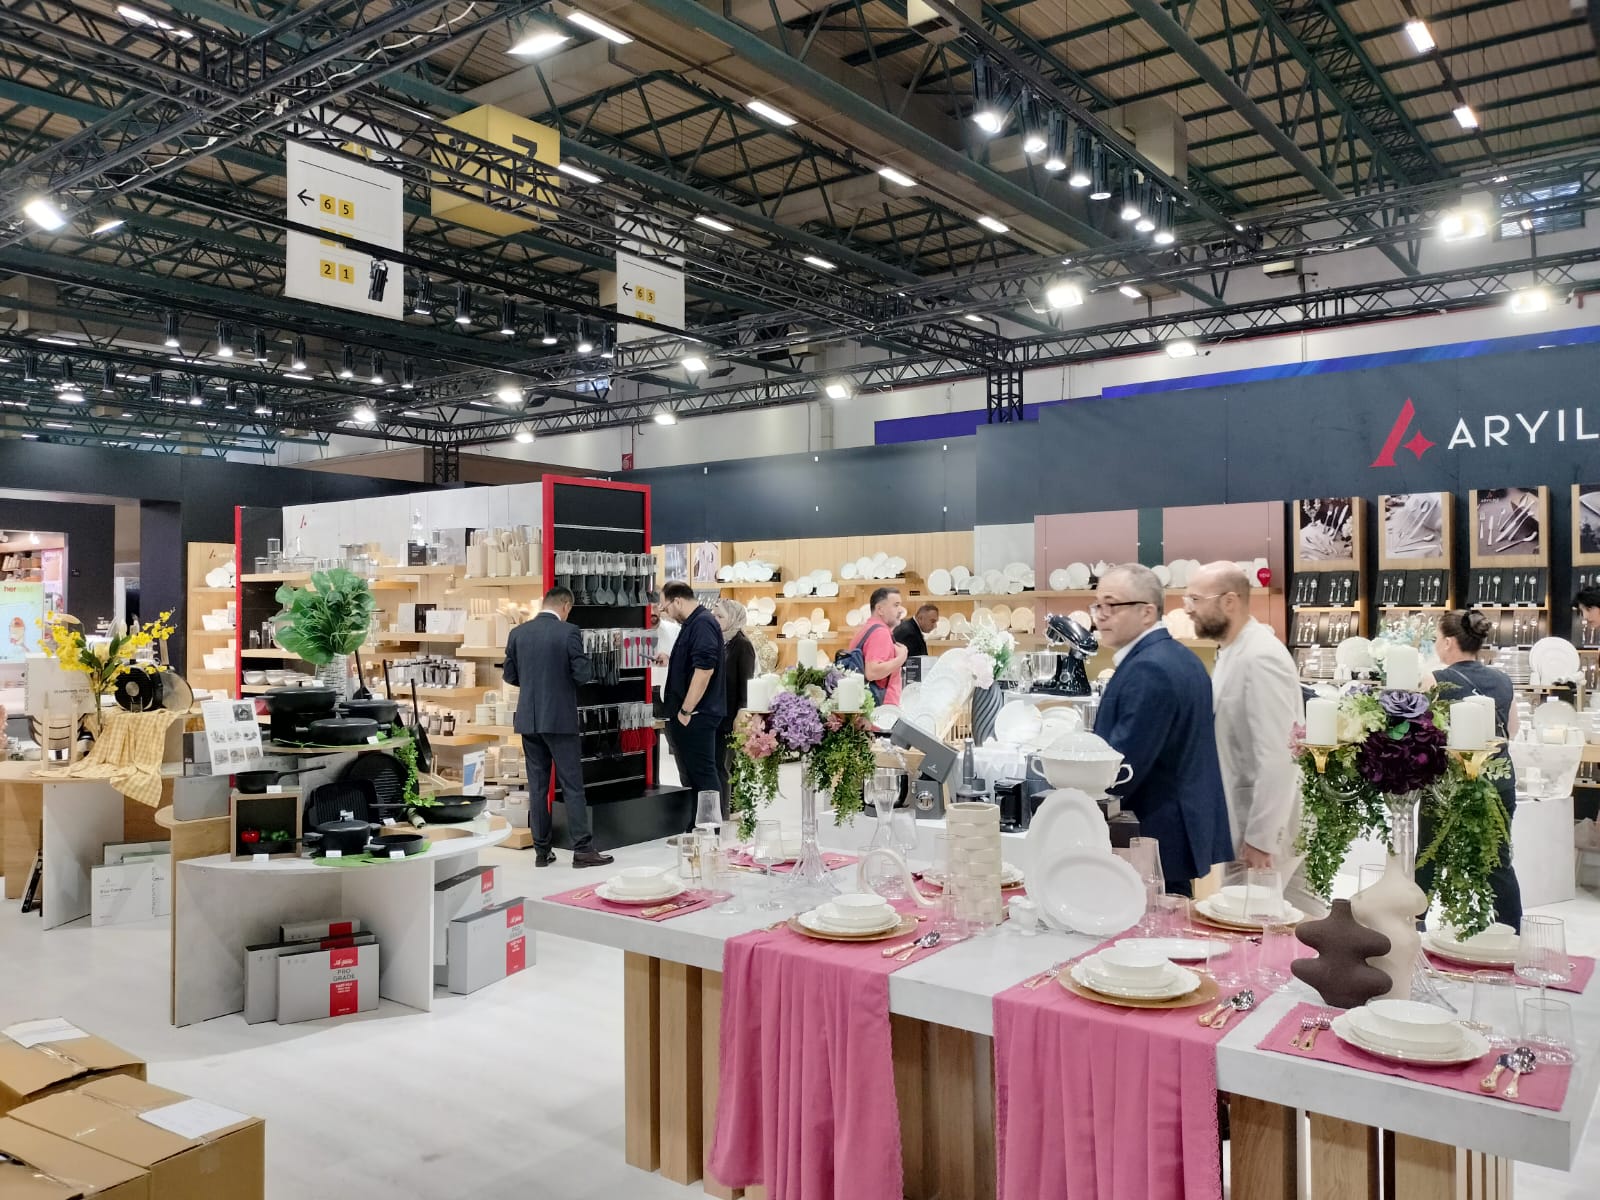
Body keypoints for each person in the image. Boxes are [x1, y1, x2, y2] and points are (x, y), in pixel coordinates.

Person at [1185, 562, 1323, 917]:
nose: (1188, 608)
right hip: (1250, 819)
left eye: (1196, 599)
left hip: (1263, 826)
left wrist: (1262, 837)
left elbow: (1279, 753)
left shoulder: (1260, 657)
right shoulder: (1234, 650)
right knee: (1299, 921)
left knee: (1248, 923)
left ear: (1229, 601)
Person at [1091, 563, 1232, 894]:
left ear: (1147, 612)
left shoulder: (1149, 668)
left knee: (1153, 922)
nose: (1101, 615)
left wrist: (1080, 802)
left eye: (1112, 605)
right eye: (1097, 605)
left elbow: (1124, 763)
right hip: (1174, 828)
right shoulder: (1179, 657)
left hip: (1152, 833)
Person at [1422, 609, 1523, 928]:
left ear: (1449, 642)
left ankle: (1414, 927)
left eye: (1437, 638)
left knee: (1428, 857)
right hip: (1497, 781)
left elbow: (1420, 734)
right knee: (1498, 860)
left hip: (1448, 785)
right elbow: (1512, 729)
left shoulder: (1435, 680)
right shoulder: (1503, 680)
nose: (1436, 644)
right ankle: (1511, 932)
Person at [501, 586, 613, 868]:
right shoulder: (568, 632)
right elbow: (582, 673)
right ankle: (582, 849)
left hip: (529, 720)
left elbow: (510, 675)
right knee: (572, 785)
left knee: (538, 787)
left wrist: (534, 685)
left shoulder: (518, 633)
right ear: (565, 606)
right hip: (560, 720)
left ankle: (542, 851)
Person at [660, 580, 725, 798]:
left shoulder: (702, 624)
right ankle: (698, 818)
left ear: (677, 601)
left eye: (666, 608)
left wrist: (686, 711)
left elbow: (704, 670)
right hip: (691, 714)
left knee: (703, 776)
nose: (667, 614)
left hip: (697, 715)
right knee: (693, 777)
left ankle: (711, 819)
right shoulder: (693, 624)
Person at [712, 596, 757, 818]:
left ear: (734, 618)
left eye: (720, 616)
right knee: (717, 765)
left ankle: (722, 814)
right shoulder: (721, 642)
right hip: (716, 713)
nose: (715, 620)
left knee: (722, 766)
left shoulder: (742, 645)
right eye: (714, 616)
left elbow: (746, 682)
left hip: (730, 716)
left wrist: (742, 712)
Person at [849, 586, 907, 704]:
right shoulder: (880, 632)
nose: (900, 610)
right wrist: (901, 658)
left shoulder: (867, 628)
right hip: (880, 708)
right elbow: (872, 672)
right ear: (880, 609)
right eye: (896, 605)